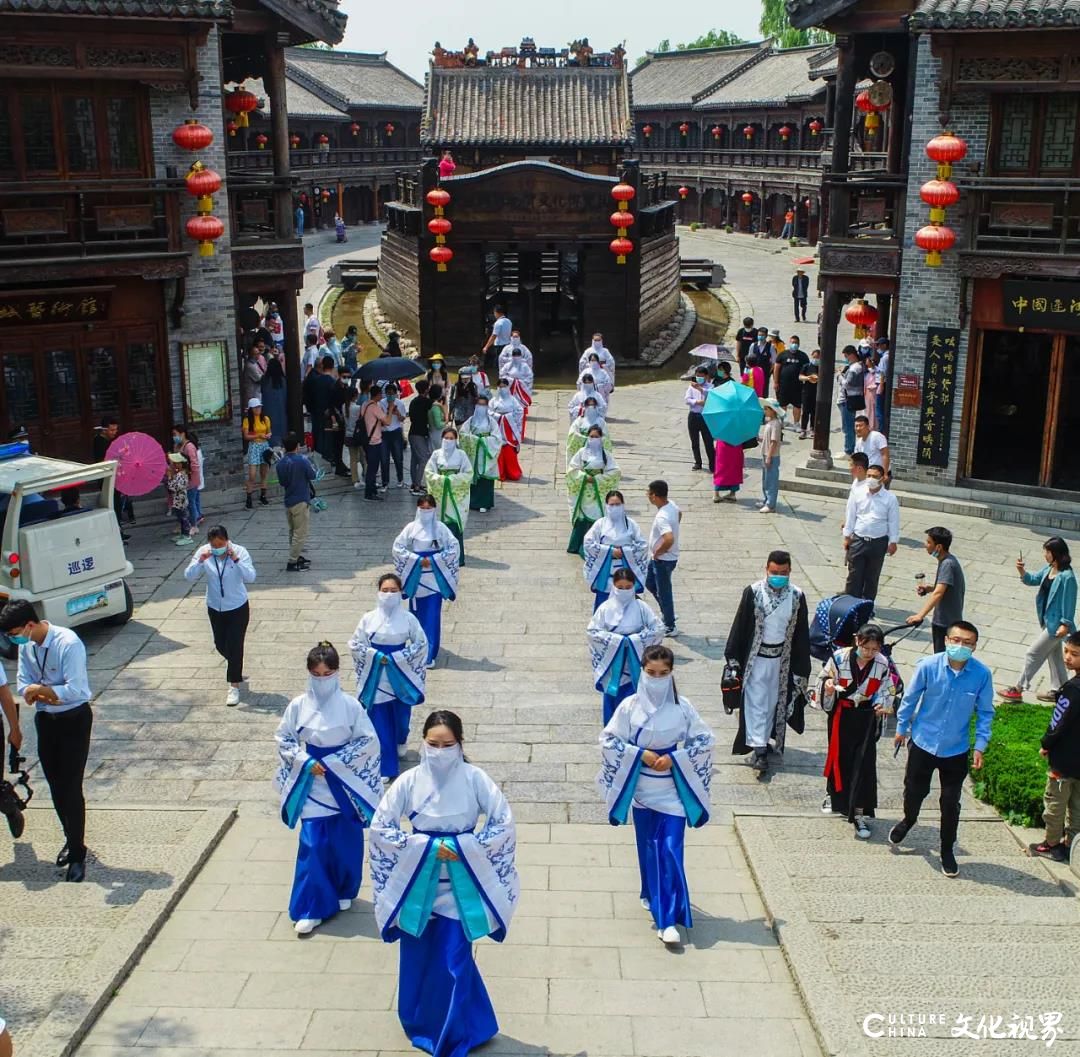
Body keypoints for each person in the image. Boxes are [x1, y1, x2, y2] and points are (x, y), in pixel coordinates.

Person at [370, 709, 519, 1056]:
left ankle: (452, 1037)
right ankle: (425, 1019)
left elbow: (503, 823)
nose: (439, 750)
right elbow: (381, 828)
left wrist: (465, 846)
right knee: (419, 953)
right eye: (432, 744)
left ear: (460, 744)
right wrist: (423, 847)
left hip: (460, 881)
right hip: (417, 879)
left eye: (447, 744)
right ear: (423, 743)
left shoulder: (475, 778)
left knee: (454, 957)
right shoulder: (409, 781)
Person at [597, 644, 714, 945]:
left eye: (664, 673)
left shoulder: (683, 707)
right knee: (649, 849)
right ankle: (652, 893)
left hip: (673, 789)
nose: (657, 678)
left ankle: (666, 920)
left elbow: (704, 740)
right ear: (643, 672)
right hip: (643, 789)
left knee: (670, 849)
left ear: (672, 673)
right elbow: (608, 740)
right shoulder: (629, 707)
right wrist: (641, 755)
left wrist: (675, 758)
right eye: (651, 673)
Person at [274, 641, 382, 936]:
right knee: (313, 844)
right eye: (316, 673)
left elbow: (368, 742)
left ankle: (345, 886)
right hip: (311, 778)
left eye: (328, 672)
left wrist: (336, 763)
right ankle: (311, 906)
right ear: (309, 673)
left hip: (344, 781)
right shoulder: (298, 705)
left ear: (336, 672)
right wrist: (304, 761)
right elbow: (284, 738)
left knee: (346, 840)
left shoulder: (350, 706)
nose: (322, 679)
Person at [892, 620, 993, 878]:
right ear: (947, 640)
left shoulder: (981, 675)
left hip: (956, 749)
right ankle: (909, 819)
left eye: (967, 643)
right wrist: (901, 727)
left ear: (975, 646)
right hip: (923, 742)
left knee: (950, 802)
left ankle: (947, 850)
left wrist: (980, 746)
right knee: (914, 791)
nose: (960, 646)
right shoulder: (928, 666)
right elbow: (910, 698)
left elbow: (985, 713)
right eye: (956, 640)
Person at [0, 600, 92, 882]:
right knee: (54, 784)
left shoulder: (67, 642)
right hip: (46, 720)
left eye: (16, 632)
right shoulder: (27, 646)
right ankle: (70, 837)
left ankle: (78, 854)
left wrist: (41, 690)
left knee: (71, 785)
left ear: (30, 625)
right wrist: (43, 692)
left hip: (73, 719)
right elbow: (23, 685)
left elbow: (75, 689)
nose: (14, 639)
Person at [725, 551, 811, 776]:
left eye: (783, 573)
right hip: (755, 660)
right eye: (774, 572)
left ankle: (764, 739)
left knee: (774, 703)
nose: (778, 576)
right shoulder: (753, 593)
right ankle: (759, 749)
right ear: (766, 569)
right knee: (756, 703)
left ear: (790, 571)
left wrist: (802, 668)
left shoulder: (797, 596)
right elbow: (740, 626)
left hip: (781, 661)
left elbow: (801, 634)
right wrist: (733, 659)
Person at [817, 623, 896, 838]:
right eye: (866, 647)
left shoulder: (882, 663)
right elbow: (822, 680)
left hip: (866, 717)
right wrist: (829, 686)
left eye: (874, 649)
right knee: (839, 758)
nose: (870, 653)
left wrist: (882, 703)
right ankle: (833, 796)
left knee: (864, 764)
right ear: (856, 640)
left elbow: (887, 688)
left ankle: (859, 813)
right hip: (841, 714)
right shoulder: (840, 657)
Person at [349, 574, 428, 779]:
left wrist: (398, 658)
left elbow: (420, 644)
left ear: (401, 592)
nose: (389, 594)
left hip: (400, 675)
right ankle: (385, 765)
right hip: (376, 674)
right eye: (385, 590)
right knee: (380, 721)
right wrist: (375, 656)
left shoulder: (409, 619)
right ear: (378, 592)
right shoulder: (368, 619)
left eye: (393, 590)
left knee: (401, 719)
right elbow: (356, 645)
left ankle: (401, 739)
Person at [999, 537, 1077, 703]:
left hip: (1056, 627)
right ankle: (1060, 691)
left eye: (1048, 552)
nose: (1045, 555)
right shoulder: (1050, 568)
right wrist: (1021, 571)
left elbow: (1069, 603)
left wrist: (1065, 624)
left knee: (1032, 653)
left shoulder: (1067, 577)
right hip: (1047, 622)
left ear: (1056, 553)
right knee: (1054, 658)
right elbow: (1032, 580)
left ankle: (1018, 689)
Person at [184, 526, 255, 706]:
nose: (217, 548)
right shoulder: (204, 552)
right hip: (215, 606)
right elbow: (188, 576)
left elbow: (251, 576)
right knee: (220, 644)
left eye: (220, 544)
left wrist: (236, 560)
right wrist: (200, 561)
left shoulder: (240, 551)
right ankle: (234, 664)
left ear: (227, 541)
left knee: (235, 644)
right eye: (214, 545)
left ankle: (234, 686)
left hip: (237, 606)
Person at [587, 568, 664, 724]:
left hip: (635, 664)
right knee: (612, 705)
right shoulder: (605, 609)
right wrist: (619, 642)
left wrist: (634, 641)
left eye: (628, 588)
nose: (624, 591)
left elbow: (658, 629)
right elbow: (593, 632)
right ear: (614, 586)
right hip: (612, 665)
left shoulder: (642, 608)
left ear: (634, 586)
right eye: (620, 588)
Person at [393, 495, 461, 667]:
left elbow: (454, 547)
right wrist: (415, 559)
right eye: (422, 508)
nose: (425, 511)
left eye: (428, 508)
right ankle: (417, 650)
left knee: (432, 616)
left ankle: (429, 653)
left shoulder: (440, 528)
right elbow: (397, 547)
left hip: (434, 576)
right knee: (417, 616)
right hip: (416, 576)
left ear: (434, 509)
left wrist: (435, 559)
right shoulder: (411, 528)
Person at [1029, 632, 1080, 860]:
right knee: (1078, 806)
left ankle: (1051, 843)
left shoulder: (1072, 689)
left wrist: (1046, 744)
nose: (1067, 658)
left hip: (1064, 759)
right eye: (1066, 652)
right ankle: (1073, 843)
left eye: (1074, 654)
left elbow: (1058, 722)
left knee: (1055, 803)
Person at [582, 489, 649, 610]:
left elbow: (642, 545)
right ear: (606, 506)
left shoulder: (631, 524)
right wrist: (609, 551)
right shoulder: (600, 524)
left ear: (623, 505)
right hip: (605, 571)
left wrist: (624, 552)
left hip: (626, 571)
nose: (615, 507)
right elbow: (588, 543)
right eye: (611, 505)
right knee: (603, 606)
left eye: (618, 504)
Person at [842, 464, 899, 604]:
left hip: (878, 542)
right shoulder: (858, 492)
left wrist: (893, 541)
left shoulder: (890, 498)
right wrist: (847, 536)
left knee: (872, 577)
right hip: (859, 540)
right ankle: (850, 603)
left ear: (882, 478)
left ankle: (867, 605)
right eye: (869, 476)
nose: (871, 479)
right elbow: (851, 515)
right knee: (854, 574)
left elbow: (893, 521)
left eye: (875, 476)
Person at [906, 526, 966, 654]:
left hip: (945, 622)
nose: (925, 545)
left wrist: (920, 615)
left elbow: (939, 593)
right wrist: (929, 589)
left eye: (928, 542)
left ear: (938, 547)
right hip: (948, 619)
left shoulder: (947, 564)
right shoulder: (948, 561)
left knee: (941, 657)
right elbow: (944, 588)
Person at [566, 428, 621, 556]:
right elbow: (571, 470)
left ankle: (592, 547)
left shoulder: (606, 455)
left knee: (597, 516)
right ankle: (578, 545)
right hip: (584, 490)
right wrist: (584, 477)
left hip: (598, 491)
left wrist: (598, 479)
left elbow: (615, 471)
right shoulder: (581, 453)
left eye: (596, 437)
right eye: (591, 436)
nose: (593, 439)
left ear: (601, 438)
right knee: (582, 517)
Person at [424, 428, 473, 564]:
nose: (448, 441)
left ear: (456, 440)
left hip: (455, 496)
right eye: (446, 438)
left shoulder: (461, 455)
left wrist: (451, 480)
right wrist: (440, 479)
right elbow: (428, 472)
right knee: (439, 524)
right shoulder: (436, 454)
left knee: (454, 523)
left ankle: (457, 557)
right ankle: (439, 556)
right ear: (442, 439)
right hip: (440, 495)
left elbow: (468, 473)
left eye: (452, 438)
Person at [645, 480, 681, 637]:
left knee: (664, 591)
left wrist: (658, 552)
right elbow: (680, 513)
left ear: (654, 496)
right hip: (660, 558)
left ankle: (669, 624)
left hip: (663, 560)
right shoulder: (671, 505)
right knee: (649, 582)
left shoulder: (662, 517)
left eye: (649, 493)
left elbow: (669, 539)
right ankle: (668, 613)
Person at [276, 432, 316, 573]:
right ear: (297, 446)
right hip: (301, 499)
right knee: (300, 532)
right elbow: (313, 475)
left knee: (293, 531)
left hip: (289, 500)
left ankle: (296, 555)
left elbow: (282, 482)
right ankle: (293, 561)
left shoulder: (280, 463)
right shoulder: (302, 460)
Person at [459, 394, 502, 512]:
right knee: (472, 476)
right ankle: (472, 502)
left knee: (485, 479)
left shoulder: (491, 422)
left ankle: (484, 502)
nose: (481, 407)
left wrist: (483, 441)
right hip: (473, 453)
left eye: (484, 405)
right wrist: (473, 439)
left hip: (486, 453)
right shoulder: (470, 421)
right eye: (479, 404)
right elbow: (462, 434)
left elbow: (497, 438)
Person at [360, 384, 392, 501]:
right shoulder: (374, 407)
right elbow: (388, 421)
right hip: (374, 440)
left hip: (366, 440)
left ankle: (372, 488)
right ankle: (369, 493)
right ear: (378, 395)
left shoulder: (365, 404)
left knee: (371, 466)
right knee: (372, 468)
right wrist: (391, 408)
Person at [489, 379, 524, 482]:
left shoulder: (513, 400)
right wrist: (498, 416)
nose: (502, 388)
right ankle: (500, 472)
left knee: (509, 450)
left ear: (507, 387)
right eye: (500, 386)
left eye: (504, 386)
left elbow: (519, 411)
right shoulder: (493, 400)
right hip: (497, 426)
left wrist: (508, 417)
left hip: (510, 427)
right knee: (498, 449)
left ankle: (513, 472)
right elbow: (489, 412)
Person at [241, 397, 271, 509]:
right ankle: (248, 498)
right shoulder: (247, 420)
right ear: (251, 409)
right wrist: (258, 435)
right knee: (252, 475)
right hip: (254, 446)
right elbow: (246, 436)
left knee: (264, 473)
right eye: (256, 407)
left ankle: (263, 496)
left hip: (264, 446)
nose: (259, 409)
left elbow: (269, 432)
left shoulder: (266, 419)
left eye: (259, 406)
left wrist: (268, 435)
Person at [774, 337, 809, 429]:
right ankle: (782, 421)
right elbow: (776, 369)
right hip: (783, 385)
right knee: (782, 404)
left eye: (796, 342)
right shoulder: (782, 355)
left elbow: (807, 369)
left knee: (797, 405)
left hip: (798, 386)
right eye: (793, 342)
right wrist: (776, 382)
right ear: (789, 343)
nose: (794, 344)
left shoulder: (803, 356)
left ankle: (796, 423)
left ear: (799, 344)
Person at [406, 379, 434, 495]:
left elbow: (411, 418)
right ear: (427, 389)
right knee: (424, 459)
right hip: (420, 434)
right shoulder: (428, 402)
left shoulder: (413, 401)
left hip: (412, 432)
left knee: (414, 460)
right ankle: (417, 486)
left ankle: (414, 483)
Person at [172, 424, 203, 527]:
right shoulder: (178, 446)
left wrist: (189, 474)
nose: (174, 437)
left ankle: (194, 525)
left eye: (175, 434)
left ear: (182, 434)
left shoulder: (189, 447)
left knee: (191, 504)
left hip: (190, 480)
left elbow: (194, 464)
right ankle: (188, 524)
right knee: (186, 504)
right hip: (182, 479)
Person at [379, 383, 407, 490]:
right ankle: (385, 482)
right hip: (384, 433)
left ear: (396, 394)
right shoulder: (381, 403)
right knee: (384, 459)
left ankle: (400, 479)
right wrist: (388, 411)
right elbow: (381, 420)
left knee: (398, 457)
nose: (390, 396)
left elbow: (403, 419)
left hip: (396, 432)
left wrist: (397, 413)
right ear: (385, 394)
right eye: (388, 393)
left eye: (392, 394)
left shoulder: (399, 403)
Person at [837, 345, 865, 456]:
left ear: (852, 355)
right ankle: (849, 448)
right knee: (847, 426)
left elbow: (847, 384)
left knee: (848, 426)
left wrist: (839, 376)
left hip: (848, 400)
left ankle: (849, 450)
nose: (846, 359)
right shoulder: (856, 367)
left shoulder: (855, 368)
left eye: (846, 356)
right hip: (848, 398)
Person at [685, 368, 714, 472]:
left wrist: (700, 388)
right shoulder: (691, 387)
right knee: (694, 441)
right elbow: (687, 399)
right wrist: (697, 402)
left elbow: (711, 395)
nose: (699, 378)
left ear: (706, 376)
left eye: (701, 376)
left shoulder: (711, 387)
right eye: (698, 376)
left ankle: (712, 464)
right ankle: (698, 462)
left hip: (705, 417)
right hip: (693, 415)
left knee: (708, 442)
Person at [758, 399, 783, 514]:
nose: (765, 411)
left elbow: (774, 442)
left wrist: (769, 456)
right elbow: (768, 439)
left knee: (771, 480)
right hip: (766, 454)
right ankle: (766, 500)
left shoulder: (776, 424)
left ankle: (771, 504)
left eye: (766, 409)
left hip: (772, 455)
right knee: (765, 479)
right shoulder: (770, 422)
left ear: (773, 411)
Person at [165, 452, 195, 545]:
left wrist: (170, 477)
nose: (175, 464)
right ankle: (183, 534)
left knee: (183, 518)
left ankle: (187, 536)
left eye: (177, 463)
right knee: (180, 518)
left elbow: (174, 487)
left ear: (182, 464)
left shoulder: (181, 474)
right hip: (178, 500)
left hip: (181, 500)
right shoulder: (180, 473)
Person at [712, 429, 744, 504]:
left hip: (723, 444)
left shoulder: (723, 419)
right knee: (735, 468)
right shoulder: (739, 422)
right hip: (736, 443)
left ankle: (716, 494)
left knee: (720, 468)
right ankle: (732, 493)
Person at [506, 349, 534, 432]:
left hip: (521, 391)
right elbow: (503, 376)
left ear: (521, 356)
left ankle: (520, 432)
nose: (516, 357)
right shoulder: (508, 365)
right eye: (514, 355)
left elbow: (529, 377)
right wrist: (511, 381)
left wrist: (519, 382)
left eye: (518, 355)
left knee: (520, 413)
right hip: (510, 390)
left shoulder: (525, 366)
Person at [853, 415, 890, 480]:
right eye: (856, 426)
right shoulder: (858, 443)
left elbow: (885, 454)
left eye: (861, 426)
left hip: (879, 474)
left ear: (868, 426)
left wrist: (885, 474)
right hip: (867, 475)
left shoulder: (877, 436)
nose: (858, 428)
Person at [480, 304, 512, 373]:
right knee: (506, 364)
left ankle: (502, 380)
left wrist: (486, 347)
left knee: (499, 365)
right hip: (508, 345)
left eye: (494, 313)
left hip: (500, 346)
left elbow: (494, 336)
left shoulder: (498, 323)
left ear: (496, 312)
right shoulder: (509, 321)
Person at [798, 348, 820, 439]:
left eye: (818, 357)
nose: (816, 359)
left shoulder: (821, 367)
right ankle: (803, 429)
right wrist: (808, 378)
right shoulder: (806, 366)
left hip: (817, 392)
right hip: (807, 391)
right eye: (814, 357)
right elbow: (800, 377)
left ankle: (812, 429)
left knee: (814, 412)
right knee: (805, 411)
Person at [240, 342, 266, 409]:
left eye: (259, 353)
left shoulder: (255, 363)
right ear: (252, 355)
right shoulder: (250, 366)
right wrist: (265, 375)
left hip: (256, 392)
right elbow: (259, 379)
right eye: (256, 353)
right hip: (252, 394)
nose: (258, 355)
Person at [875, 336, 890, 429]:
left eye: (879, 345)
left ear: (884, 345)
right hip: (881, 382)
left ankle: (881, 430)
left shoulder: (885, 358)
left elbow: (883, 373)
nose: (877, 347)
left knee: (879, 410)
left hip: (882, 383)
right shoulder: (885, 356)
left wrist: (881, 386)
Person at [427, 383, 448, 452]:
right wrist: (446, 422)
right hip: (437, 435)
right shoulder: (435, 407)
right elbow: (438, 425)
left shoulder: (431, 404)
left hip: (433, 433)